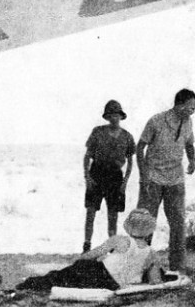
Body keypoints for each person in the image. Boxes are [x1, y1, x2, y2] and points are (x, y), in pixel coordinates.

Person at [16, 209, 162, 292]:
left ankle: (26, 286)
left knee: (64, 274)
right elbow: (155, 280)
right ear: (148, 231)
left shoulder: (120, 240)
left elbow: (92, 254)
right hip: (114, 284)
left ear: (129, 227)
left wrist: (78, 260)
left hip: (100, 273)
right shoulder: (151, 253)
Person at [136, 88, 195, 273]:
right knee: (145, 223)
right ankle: (139, 266)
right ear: (179, 104)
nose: (193, 110)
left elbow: (189, 144)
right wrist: (143, 174)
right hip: (152, 178)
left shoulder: (188, 122)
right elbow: (140, 147)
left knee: (178, 223)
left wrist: (193, 159)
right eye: (190, 106)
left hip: (175, 179)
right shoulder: (156, 121)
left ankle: (177, 267)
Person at [82, 100, 135, 252]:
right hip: (97, 173)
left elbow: (131, 162)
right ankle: (87, 245)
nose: (114, 118)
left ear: (121, 116)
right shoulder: (97, 132)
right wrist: (87, 177)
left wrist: (125, 182)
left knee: (113, 214)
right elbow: (87, 156)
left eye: (116, 115)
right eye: (110, 115)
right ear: (106, 117)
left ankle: (111, 247)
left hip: (115, 176)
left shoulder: (127, 136)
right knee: (91, 211)